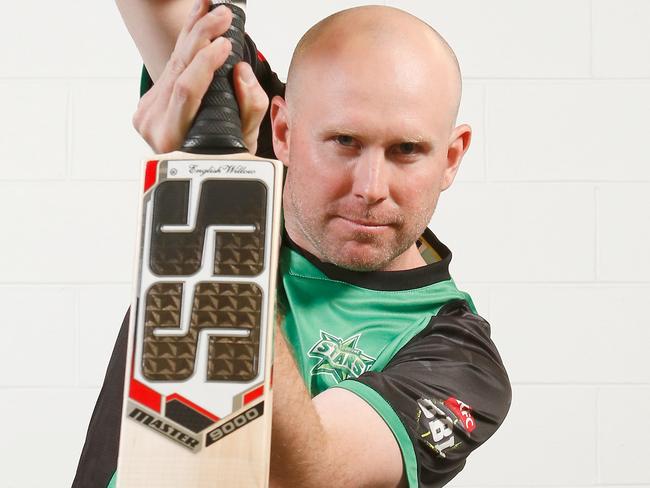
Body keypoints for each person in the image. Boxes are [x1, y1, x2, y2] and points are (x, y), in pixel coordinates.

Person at [74, 1, 511, 487]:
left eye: (406, 150)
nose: (370, 187)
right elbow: (164, 10)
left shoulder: (460, 360)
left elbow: (314, 475)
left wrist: (219, 194)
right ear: (282, 132)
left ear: (451, 157)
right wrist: (224, 172)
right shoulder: (251, 149)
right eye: (344, 141)